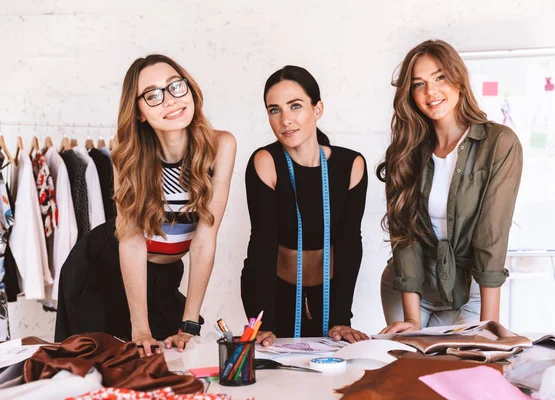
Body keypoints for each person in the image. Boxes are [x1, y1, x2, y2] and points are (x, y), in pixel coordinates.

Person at [55, 54, 236, 356]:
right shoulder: (125, 155)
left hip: (163, 276)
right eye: (152, 95)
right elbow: (132, 243)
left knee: (169, 361)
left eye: (176, 86)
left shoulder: (221, 146)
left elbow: (205, 241)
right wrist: (140, 329)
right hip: (103, 267)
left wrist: (189, 323)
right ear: (138, 112)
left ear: (189, 89)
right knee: (100, 366)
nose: (169, 101)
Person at [377, 40, 523, 334]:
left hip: (470, 287)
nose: (431, 92)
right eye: (419, 84)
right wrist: (413, 322)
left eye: (440, 77)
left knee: (462, 370)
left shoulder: (499, 143)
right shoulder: (404, 152)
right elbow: (404, 238)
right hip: (410, 284)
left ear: (459, 78)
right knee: (410, 368)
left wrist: (488, 326)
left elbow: (491, 235)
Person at [242, 65, 369, 345]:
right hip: (274, 293)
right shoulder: (265, 162)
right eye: (274, 110)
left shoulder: (351, 165)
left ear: (318, 109)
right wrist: (263, 320)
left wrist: (341, 318)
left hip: (330, 292)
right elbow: (262, 245)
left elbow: (349, 244)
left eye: (295, 106)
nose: (285, 120)